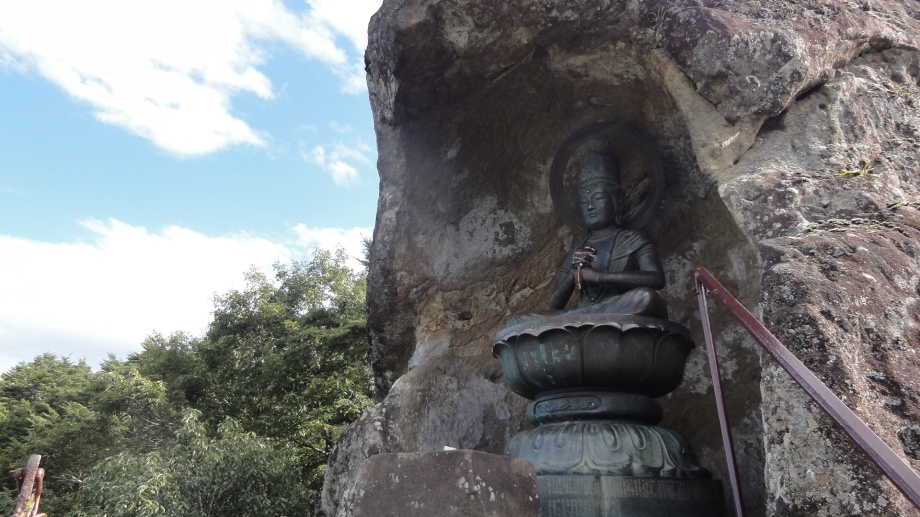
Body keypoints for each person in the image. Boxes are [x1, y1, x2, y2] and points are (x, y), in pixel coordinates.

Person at [514, 151, 668, 325]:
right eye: (583, 201)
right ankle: (587, 321)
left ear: (618, 201)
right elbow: (555, 303)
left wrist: (599, 277)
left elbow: (656, 279)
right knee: (518, 321)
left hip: (617, 307)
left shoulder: (633, 240)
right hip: (582, 314)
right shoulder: (577, 251)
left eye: (598, 198)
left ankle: (590, 321)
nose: (589, 206)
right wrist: (574, 274)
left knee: (646, 298)